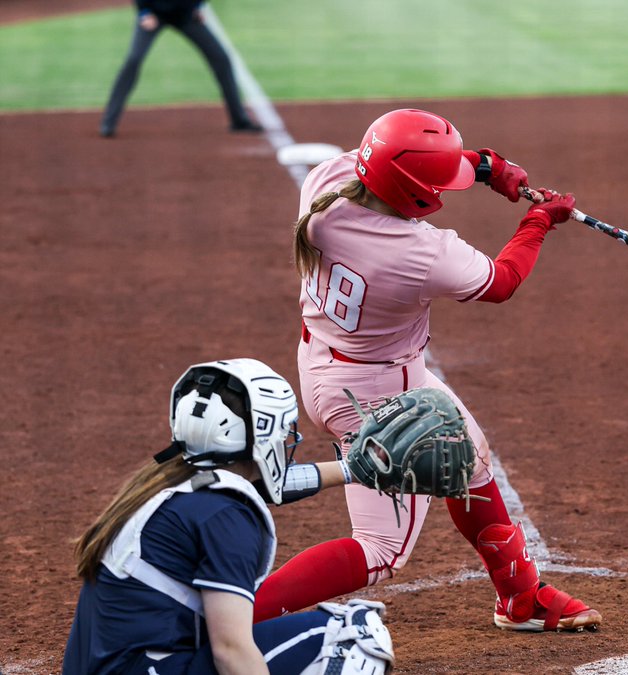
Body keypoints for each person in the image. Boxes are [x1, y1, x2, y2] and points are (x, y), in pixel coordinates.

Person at [252, 108, 602, 633]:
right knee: (381, 550)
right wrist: (537, 222)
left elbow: (398, 163)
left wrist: (483, 166)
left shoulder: (327, 180)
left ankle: (521, 599)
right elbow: (502, 280)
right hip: (377, 394)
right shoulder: (420, 252)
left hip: (329, 364)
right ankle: (235, 615)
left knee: (472, 461)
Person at [62, 358, 395, 674]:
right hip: (150, 667)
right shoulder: (224, 517)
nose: (284, 440)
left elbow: (268, 485)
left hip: (126, 663)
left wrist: (354, 469)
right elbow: (231, 650)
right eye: (279, 432)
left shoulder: (174, 484)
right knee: (353, 637)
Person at [99, 0, 262, 137]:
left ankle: (239, 120)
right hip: (154, 13)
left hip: (185, 16)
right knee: (134, 59)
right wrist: (143, 12)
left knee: (221, 59)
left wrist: (196, 7)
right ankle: (108, 122)